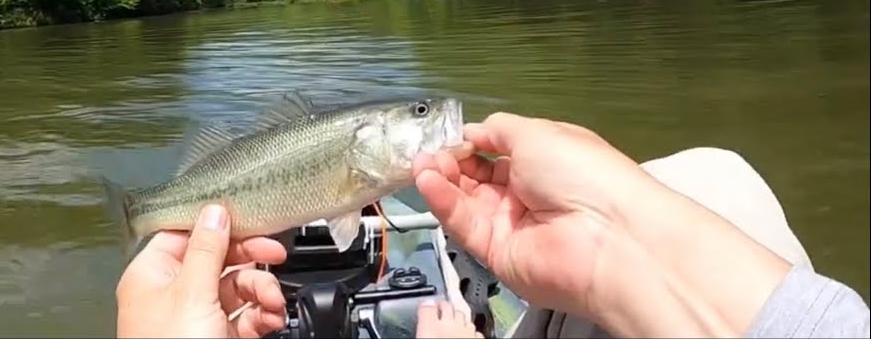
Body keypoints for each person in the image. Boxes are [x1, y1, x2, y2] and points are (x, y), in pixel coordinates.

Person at [114, 112, 871, 339]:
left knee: (713, 174)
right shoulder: (355, 165)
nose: (432, 118)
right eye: (415, 118)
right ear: (365, 146)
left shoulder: (363, 176)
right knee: (716, 174)